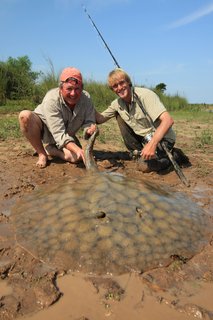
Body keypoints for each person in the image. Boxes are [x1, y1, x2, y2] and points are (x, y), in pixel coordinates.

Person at [96, 68, 177, 173]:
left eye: (121, 83)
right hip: (145, 139)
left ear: (128, 82)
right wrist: (86, 102)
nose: (119, 88)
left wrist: (152, 144)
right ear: (112, 89)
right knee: (119, 115)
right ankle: (137, 153)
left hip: (163, 139)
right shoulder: (117, 104)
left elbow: (168, 121)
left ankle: (175, 156)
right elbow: (99, 119)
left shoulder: (145, 95)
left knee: (145, 167)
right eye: (115, 86)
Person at [19, 67, 97, 168]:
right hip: (45, 130)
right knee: (25, 116)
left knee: (75, 158)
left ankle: (52, 150)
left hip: (66, 134)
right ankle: (42, 153)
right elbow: (59, 133)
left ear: (81, 88)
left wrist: (89, 129)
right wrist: (78, 150)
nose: (73, 93)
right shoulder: (51, 99)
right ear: (60, 89)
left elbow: (89, 121)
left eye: (77, 89)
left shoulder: (86, 98)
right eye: (69, 89)